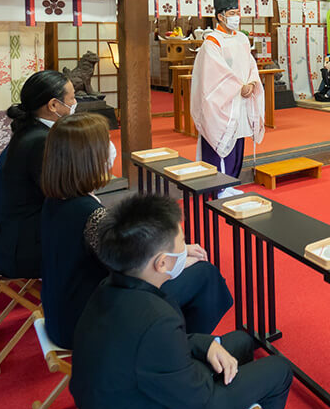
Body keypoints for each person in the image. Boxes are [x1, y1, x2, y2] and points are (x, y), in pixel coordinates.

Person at [71, 194, 292, 409]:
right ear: (161, 262)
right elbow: (195, 398)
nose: (186, 246)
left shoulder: (108, 288)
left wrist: (206, 344)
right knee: (280, 369)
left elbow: (152, 353)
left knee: (241, 343)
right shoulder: (156, 318)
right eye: (183, 242)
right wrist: (208, 367)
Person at [39, 113, 232, 350]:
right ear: (87, 158)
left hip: (60, 312)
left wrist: (176, 251)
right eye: (105, 144)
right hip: (88, 323)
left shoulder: (56, 198)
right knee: (206, 276)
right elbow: (132, 270)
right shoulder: (91, 215)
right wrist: (177, 259)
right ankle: (179, 350)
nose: (111, 150)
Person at [0, 70, 73, 279]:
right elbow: (59, 192)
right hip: (24, 243)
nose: (75, 103)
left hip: (12, 229)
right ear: (53, 105)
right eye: (72, 98)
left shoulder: (30, 131)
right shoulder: (41, 140)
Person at [189, 0, 264, 184]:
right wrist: (239, 87)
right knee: (221, 139)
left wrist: (252, 83)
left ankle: (231, 180)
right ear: (220, 16)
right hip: (224, 102)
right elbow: (215, 74)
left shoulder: (242, 39)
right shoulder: (211, 43)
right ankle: (218, 185)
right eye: (231, 14)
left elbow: (251, 65)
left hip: (242, 98)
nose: (236, 17)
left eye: (237, 12)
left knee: (238, 139)